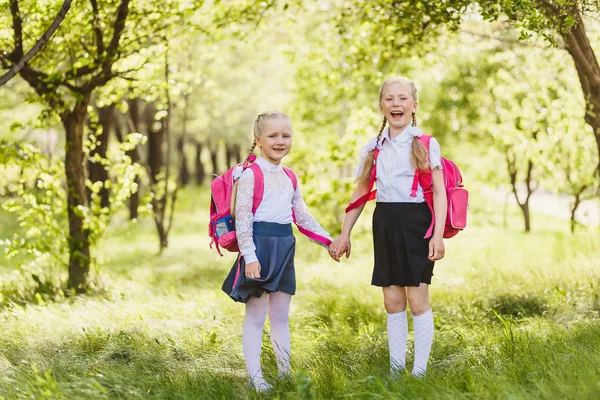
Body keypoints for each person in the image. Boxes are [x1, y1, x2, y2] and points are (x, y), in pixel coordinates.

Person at [328, 76, 447, 377]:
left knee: (417, 300)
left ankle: (419, 372)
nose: (396, 104)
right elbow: (361, 192)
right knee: (393, 300)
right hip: (384, 223)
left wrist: (437, 235)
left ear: (414, 105)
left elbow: (441, 192)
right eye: (390, 99)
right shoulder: (373, 148)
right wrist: (345, 233)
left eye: (402, 98)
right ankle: (397, 372)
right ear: (381, 107)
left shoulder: (425, 144)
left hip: (416, 224)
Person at [222, 111, 332, 392]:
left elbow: (302, 215)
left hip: (284, 246)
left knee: (281, 314)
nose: (280, 141)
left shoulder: (290, 176)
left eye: (286, 135)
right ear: (259, 140)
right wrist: (250, 256)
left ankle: (284, 373)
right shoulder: (250, 175)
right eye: (273, 136)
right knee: (257, 314)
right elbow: (243, 218)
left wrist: (329, 241)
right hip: (260, 247)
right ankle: (255, 378)